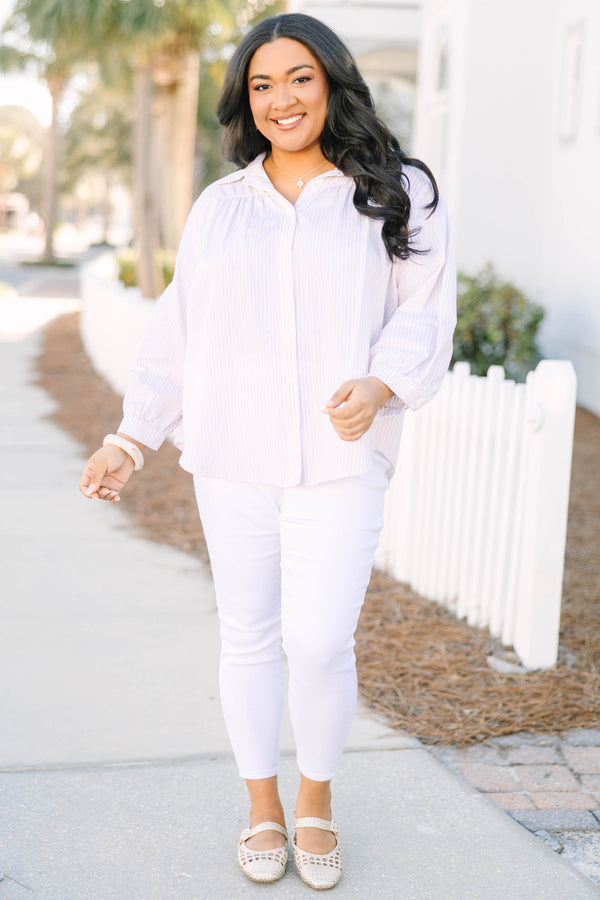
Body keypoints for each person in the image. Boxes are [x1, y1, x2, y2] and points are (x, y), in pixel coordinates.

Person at [79, 12, 456, 891]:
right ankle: (263, 807)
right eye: (262, 84)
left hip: (340, 457)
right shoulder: (222, 207)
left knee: (321, 641)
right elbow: (179, 329)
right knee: (249, 636)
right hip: (232, 454)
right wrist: (129, 438)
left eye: (298, 78)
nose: (281, 99)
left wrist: (381, 385)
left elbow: (426, 310)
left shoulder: (399, 190)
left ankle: (316, 798)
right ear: (246, 100)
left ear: (331, 82)